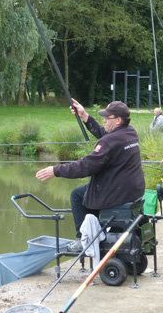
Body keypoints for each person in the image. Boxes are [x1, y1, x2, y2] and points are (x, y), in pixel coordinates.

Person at [36, 99, 146, 250]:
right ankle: (96, 233)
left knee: (77, 195)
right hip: (133, 188)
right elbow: (105, 135)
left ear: (118, 120)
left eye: (108, 118)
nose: (104, 120)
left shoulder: (110, 141)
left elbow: (85, 167)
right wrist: (85, 116)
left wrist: (55, 170)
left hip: (118, 191)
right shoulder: (129, 132)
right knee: (87, 193)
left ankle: (85, 240)